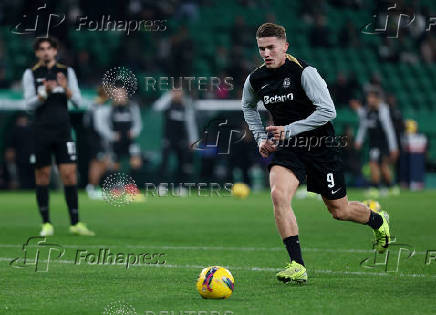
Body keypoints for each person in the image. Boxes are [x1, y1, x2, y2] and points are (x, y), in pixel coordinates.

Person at [241, 23, 391, 284]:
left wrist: (289, 129)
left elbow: (328, 112)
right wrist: (260, 138)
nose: (266, 53)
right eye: (261, 49)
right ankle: (296, 264)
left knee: (339, 210)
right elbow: (247, 107)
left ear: (285, 47)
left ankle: (378, 221)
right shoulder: (256, 79)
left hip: (319, 147)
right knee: (278, 194)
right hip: (288, 147)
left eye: (271, 48)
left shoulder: (305, 72)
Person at [22, 37, 94, 236]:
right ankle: (46, 223)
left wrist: (66, 89)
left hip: (63, 130)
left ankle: (75, 223)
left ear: (55, 51)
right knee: (42, 176)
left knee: (69, 175)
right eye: (42, 49)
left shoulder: (67, 72)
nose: (46, 52)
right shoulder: (31, 74)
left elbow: (80, 102)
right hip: (41, 131)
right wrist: (43, 93)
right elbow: (28, 105)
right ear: (37, 53)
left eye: (49, 48)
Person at [354, 90, 399, 197]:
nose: (370, 100)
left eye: (372, 98)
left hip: (383, 143)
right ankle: (391, 187)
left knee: (376, 165)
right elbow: (363, 126)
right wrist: (359, 140)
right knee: (381, 166)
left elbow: (389, 130)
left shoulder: (383, 111)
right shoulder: (367, 111)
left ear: (377, 99)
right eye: (369, 98)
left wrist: (393, 147)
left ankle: (375, 188)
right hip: (373, 143)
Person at [95, 87, 142, 172]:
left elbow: (138, 123)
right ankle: (116, 183)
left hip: (129, 140)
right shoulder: (108, 109)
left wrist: (134, 132)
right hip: (115, 141)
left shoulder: (133, 107)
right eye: (116, 94)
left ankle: (132, 183)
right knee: (113, 166)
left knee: (136, 163)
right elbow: (102, 126)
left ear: (126, 95)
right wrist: (111, 135)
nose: (119, 96)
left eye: (121, 94)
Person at [83, 86, 110, 199]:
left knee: (102, 163)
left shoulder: (92, 105)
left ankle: (93, 186)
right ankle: (91, 187)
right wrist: (110, 136)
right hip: (97, 138)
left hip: (91, 137)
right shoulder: (100, 106)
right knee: (97, 163)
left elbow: (85, 122)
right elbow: (100, 126)